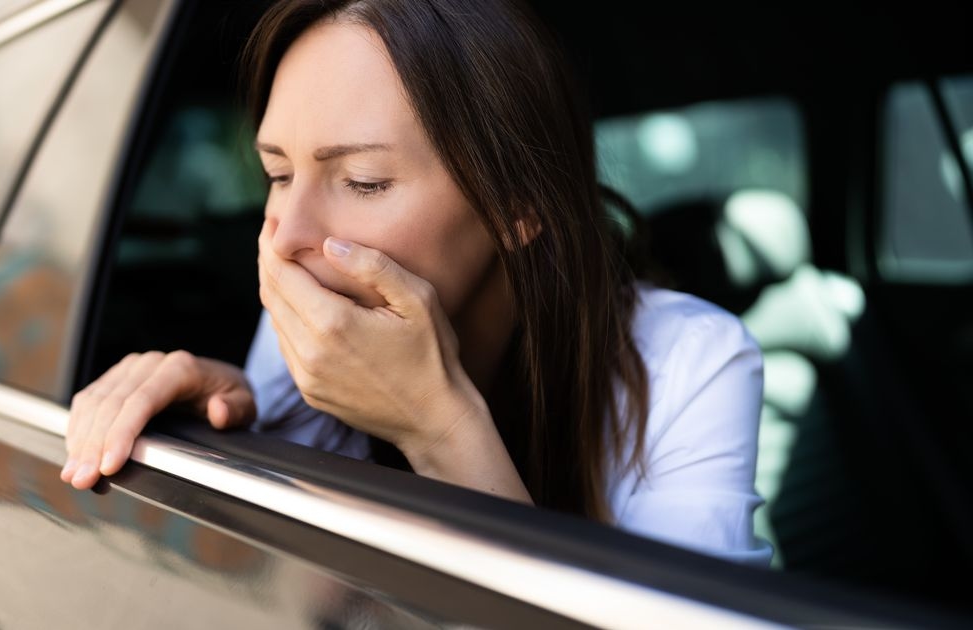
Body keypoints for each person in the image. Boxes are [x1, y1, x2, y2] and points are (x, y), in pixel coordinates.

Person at [61, 0, 773, 567]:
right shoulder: (318, 307)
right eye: (277, 174)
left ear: (517, 205)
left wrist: (439, 426)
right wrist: (243, 419)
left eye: (363, 181)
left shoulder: (691, 364)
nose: (284, 235)